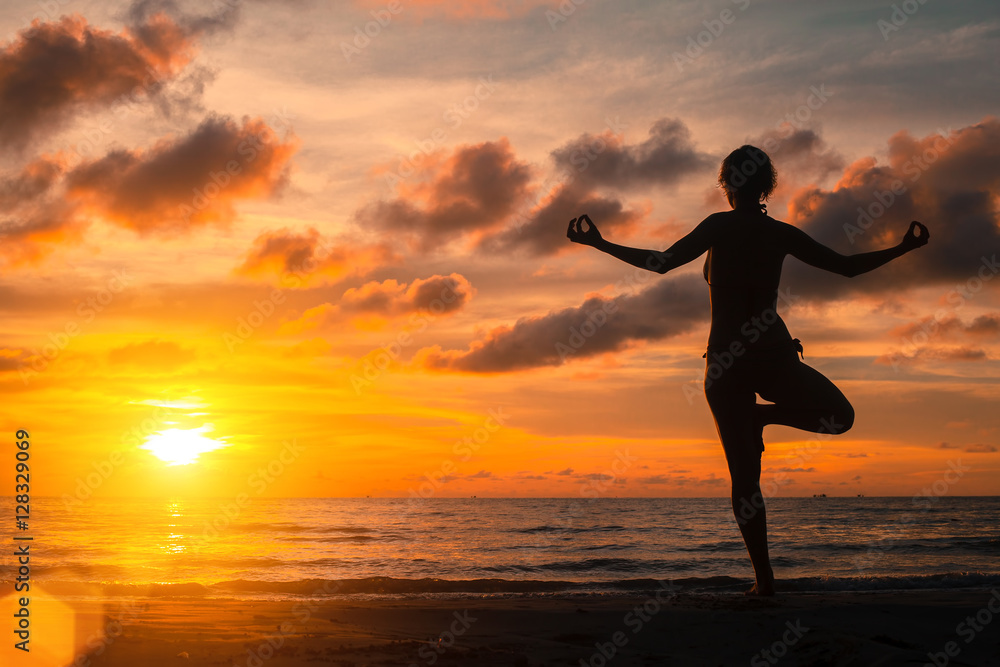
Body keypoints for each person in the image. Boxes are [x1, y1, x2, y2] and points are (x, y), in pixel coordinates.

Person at [566, 144, 929, 595]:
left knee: (745, 480)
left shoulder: (720, 226)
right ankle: (764, 568)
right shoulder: (780, 233)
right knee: (840, 418)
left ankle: (765, 580)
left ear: (728, 184)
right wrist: (902, 248)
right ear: (766, 186)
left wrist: (600, 243)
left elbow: (660, 264)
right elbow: (848, 268)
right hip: (771, 354)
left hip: (728, 363)